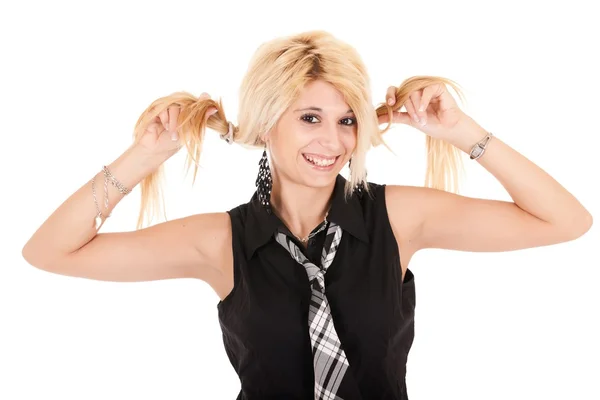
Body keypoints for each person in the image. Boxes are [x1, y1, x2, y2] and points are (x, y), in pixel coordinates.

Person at [21, 30, 593, 400]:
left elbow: (566, 221)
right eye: (310, 118)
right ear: (269, 122)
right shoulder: (222, 241)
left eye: (347, 120)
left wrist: (461, 131)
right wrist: (144, 157)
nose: (333, 140)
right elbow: (49, 252)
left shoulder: (397, 217)